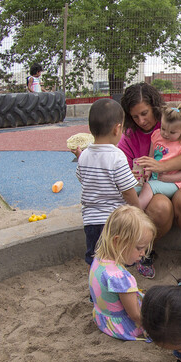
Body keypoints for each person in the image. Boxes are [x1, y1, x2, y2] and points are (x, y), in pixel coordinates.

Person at [117, 83, 181, 279]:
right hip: (154, 188)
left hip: (180, 182)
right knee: (159, 207)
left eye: (144, 113)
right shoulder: (129, 137)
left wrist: (162, 167)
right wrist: (135, 174)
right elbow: (123, 171)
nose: (141, 120)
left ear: (154, 107)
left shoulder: (171, 120)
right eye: (135, 116)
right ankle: (146, 250)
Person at [76, 98, 144, 266]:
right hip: (114, 222)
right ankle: (118, 291)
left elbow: (81, 177)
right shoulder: (116, 156)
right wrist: (138, 212)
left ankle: (96, 291)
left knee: (97, 261)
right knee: (116, 261)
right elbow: (128, 190)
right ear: (117, 128)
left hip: (91, 221)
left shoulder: (83, 155)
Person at [89, 205, 157, 341]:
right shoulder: (120, 277)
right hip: (123, 327)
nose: (143, 253)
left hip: (103, 318)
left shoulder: (98, 260)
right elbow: (136, 315)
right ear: (117, 241)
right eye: (139, 248)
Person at [144, 103, 181, 213]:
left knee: (147, 187)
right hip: (155, 180)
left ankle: (136, 213)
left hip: (173, 183)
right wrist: (146, 174)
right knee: (137, 188)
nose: (165, 134)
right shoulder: (156, 136)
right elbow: (152, 157)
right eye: (163, 128)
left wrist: (167, 179)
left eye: (172, 132)